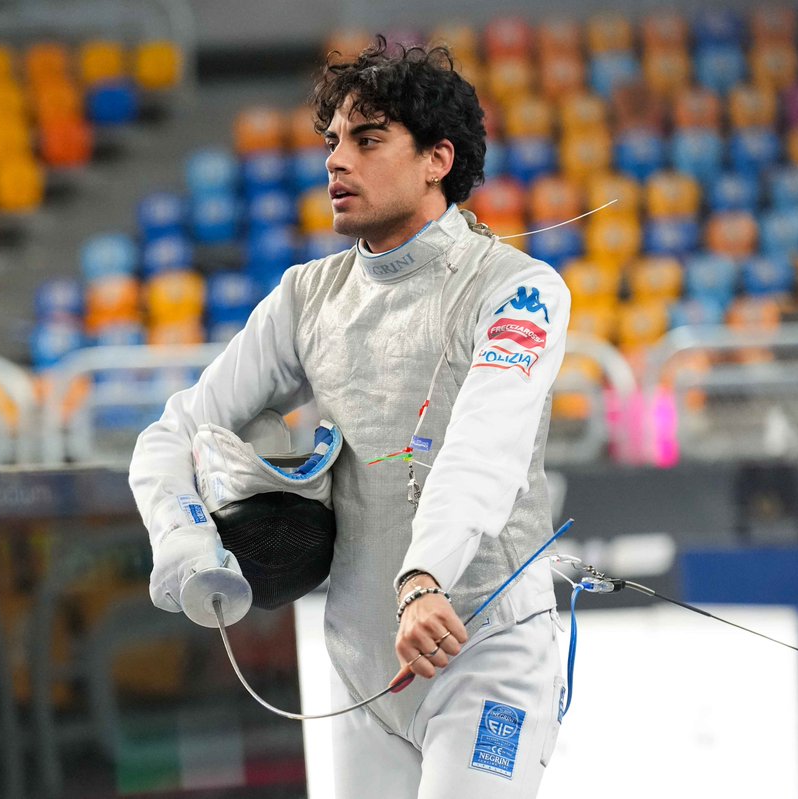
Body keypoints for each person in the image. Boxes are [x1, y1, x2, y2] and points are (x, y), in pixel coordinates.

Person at [128, 38, 570, 798]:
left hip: (485, 650)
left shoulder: (520, 291)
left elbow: (483, 448)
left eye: (368, 140)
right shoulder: (309, 297)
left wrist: (424, 577)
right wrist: (184, 538)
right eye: (332, 140)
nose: (337, 160)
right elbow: (172, 434)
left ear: (438, 158)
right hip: (362, 672)